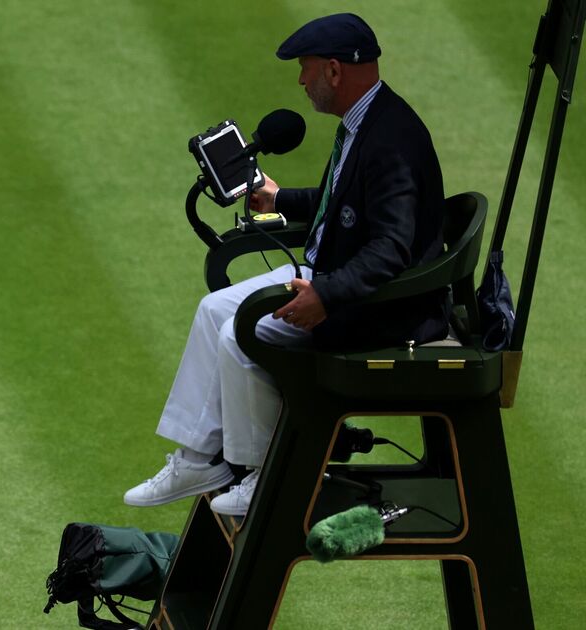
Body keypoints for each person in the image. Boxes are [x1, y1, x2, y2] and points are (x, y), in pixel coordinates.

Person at [124, 13, 447, 516]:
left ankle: (266, 474)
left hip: (379, 309)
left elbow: (392, 248)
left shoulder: (391, 141)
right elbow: (342, 200)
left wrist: (327, 294)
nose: (301, 81)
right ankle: (196, 460)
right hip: (330, 276)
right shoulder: (369, 120)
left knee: (240, 332)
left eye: (306, 69)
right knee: (215, 310)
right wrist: (282, 198)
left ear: (334, 72)